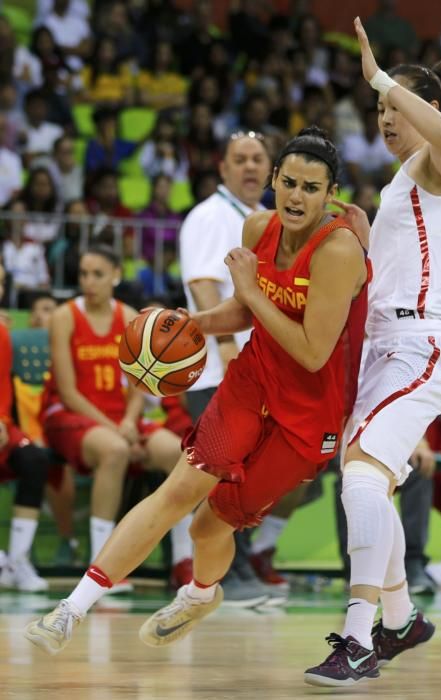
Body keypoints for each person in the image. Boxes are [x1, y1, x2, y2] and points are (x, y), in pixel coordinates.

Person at [24, 125, 370, 655]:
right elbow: (241, 310)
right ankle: (71, 609)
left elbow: (311, 351)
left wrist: (252, 292)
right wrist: (193, 323)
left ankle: (200, 593)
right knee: (178, 493)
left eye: (311, 187)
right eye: (290, 182)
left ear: (330, 195)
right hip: (251, 382)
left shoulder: (339, 249)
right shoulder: (258, 227)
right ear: (275, 180)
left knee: (212, 526)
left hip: (309, 414)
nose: (296, 197)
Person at [304, 17, 441, 687]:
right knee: (365, 474)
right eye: (376, 108)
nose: (383, 117)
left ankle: (358, 638)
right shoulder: (402, 181)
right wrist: (362, 233)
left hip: (420, 341)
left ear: (423, 110)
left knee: (364, 475)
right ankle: (398, 619)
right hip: (385, 345)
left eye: (393, 105)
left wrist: (377, 73)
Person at [36, 245, 184, 589]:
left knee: (180, 455)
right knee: (115, 450)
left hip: (121, 419)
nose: (89, 282)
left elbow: (139, 383)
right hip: (69, 416)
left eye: (97, 274)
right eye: (83, 275)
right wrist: (118, 431)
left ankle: (182, 561)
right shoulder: (64, 316)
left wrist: (130, 422)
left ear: (116, 276)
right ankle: (101, 567)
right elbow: (69, 392)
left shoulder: (130, 316)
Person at [178, 129, 276, 605]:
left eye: (258, 158)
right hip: (220, 371)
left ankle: (244, 561)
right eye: (240, 159)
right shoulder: (211, 216)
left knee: (257, 474)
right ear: (222, 168)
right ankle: (226, 577)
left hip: (255, 372)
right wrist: (225, 350)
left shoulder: (259, 219)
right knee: (223, 475)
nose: (250, 167)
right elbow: (203, 285)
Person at [0, 262, 54, 592]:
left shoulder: (2, 333)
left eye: (2, 282)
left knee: (34, 459)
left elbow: (3, 391)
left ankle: (16, 562)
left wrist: (3, 422)